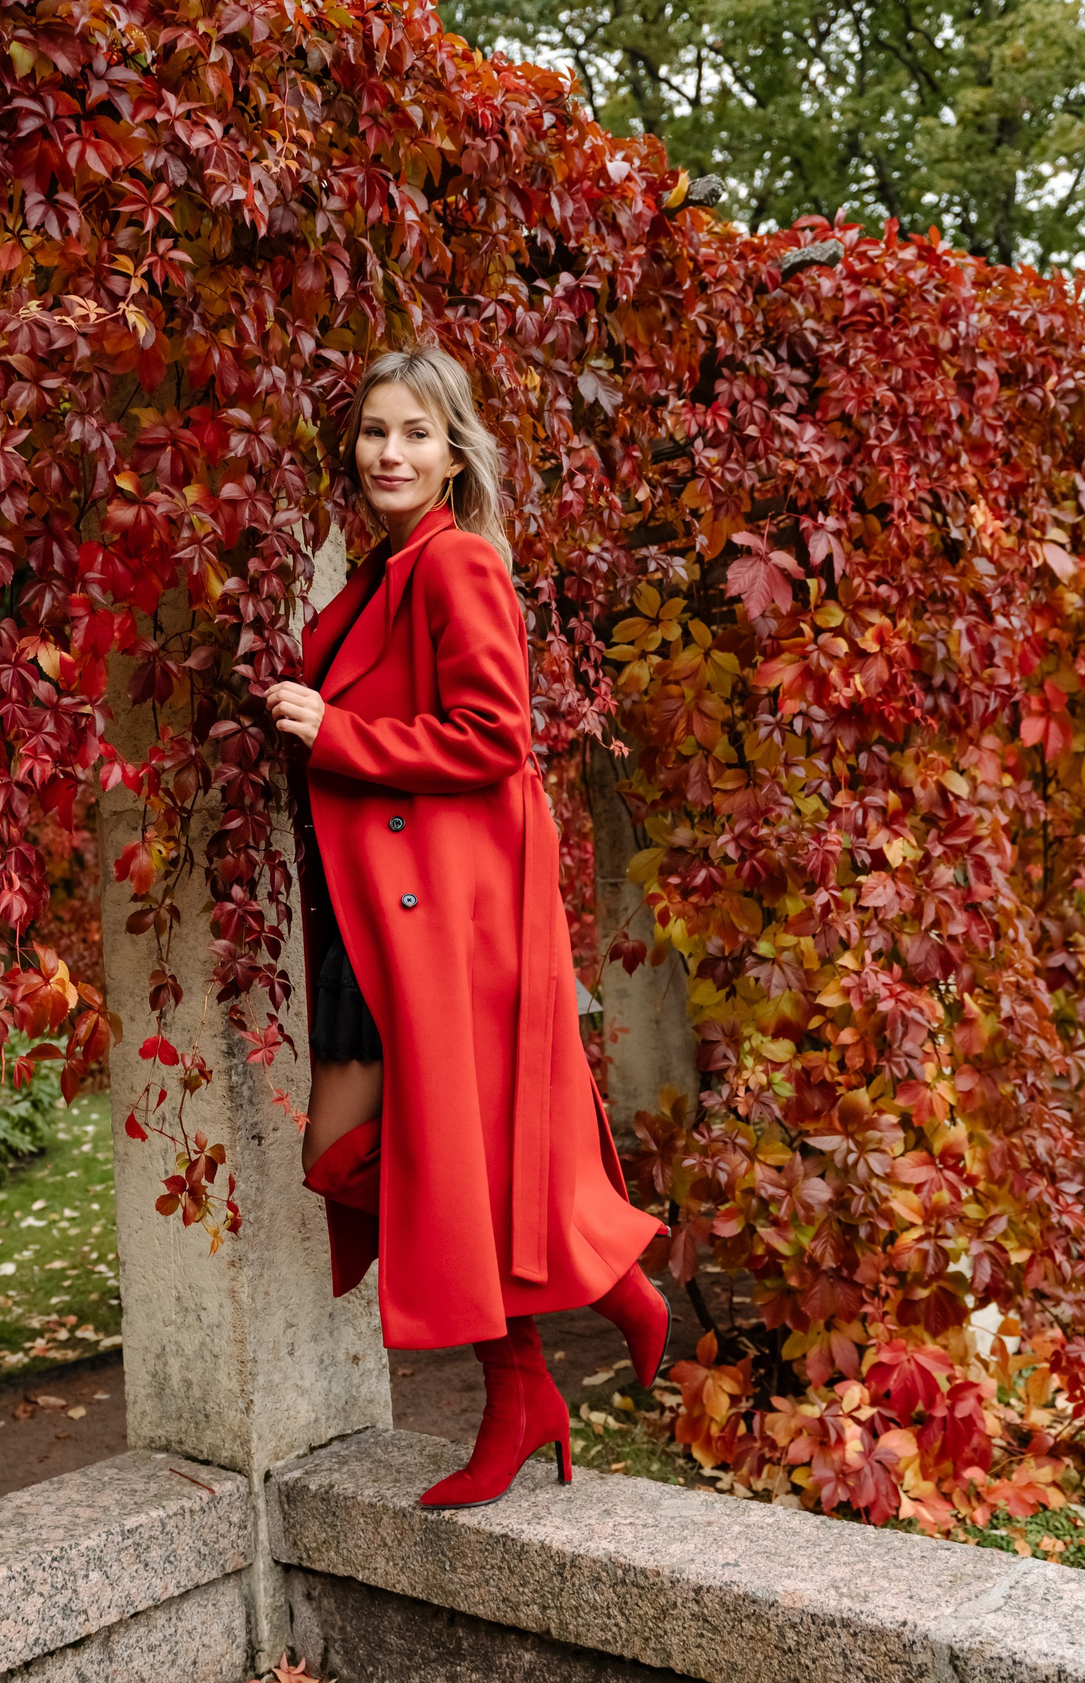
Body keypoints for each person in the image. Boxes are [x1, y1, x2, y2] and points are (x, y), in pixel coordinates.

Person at [262, 346, 673, 1511]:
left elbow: (493, 735)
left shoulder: (458, 565)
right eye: (373, 432)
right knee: (342, 1158)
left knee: (439, 1150)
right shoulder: (373, 575)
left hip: (434, 920)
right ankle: (568, 1323)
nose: (390, 452)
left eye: (416, 434)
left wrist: (337, 731)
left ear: (454, 453)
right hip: (366, 912)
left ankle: (543, 1354)